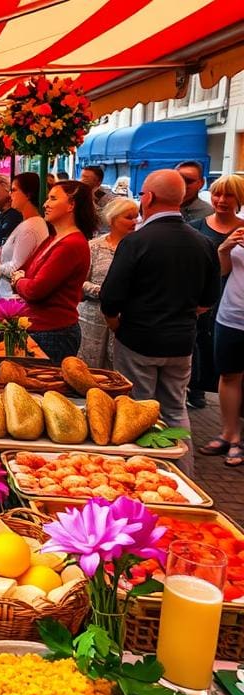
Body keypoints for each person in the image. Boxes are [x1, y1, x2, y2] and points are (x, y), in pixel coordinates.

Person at [100, 170, 221, 471]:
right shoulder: (202, 242)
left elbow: (111, 296)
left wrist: (116, 324)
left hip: (138, 339)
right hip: (180, 342)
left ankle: (144, 471)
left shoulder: (136, 242)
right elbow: (208, 300)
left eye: (142, 195)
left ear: (149, 197)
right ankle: (183, 472)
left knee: (138, 408)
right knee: (175, 408)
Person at [11, 180, 95, 361]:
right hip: (37, 328)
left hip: (53, 333)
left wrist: (18, 281)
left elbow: (35, 290)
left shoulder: (72, 244)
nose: (45, 204)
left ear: (71, 205)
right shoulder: (53, 238)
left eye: (53, 198)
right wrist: (21, 280)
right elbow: (24, 270)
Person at [186, 174, 244, 409]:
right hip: (202, 298)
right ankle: (197, 390)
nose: (221, 200)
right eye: (217, 193)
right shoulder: (194, 228)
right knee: (200, 346)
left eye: (229, 195)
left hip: (233, 302)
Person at [78, 197, 139, 369]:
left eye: (136, 217)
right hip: (91, 315)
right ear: (113, 219)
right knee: (89, 367)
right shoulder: (94, 247)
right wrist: (102, 291)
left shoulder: (139, 247)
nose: (134, 222)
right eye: (129, 217)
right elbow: (80, 280)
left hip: (124, 317)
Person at [202, 226, 244, 466]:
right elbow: (224, 271)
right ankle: (229, 433)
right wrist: (224, 249)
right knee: (229, 375)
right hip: (231, 316)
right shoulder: (241, 226)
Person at [0, 173, 49, 301]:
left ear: (28, 194)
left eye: (14, 190)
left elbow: (17, 268)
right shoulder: (27, 223)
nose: (10, 195)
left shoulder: (30, 227)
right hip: (6, 293)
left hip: (12, 298)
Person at [79, 166, 117, 233]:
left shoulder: (107, 197)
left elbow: (105, 220)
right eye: (82, 176)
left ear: (98, 182)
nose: (82, 180)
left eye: (86, 178)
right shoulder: (78, 193)